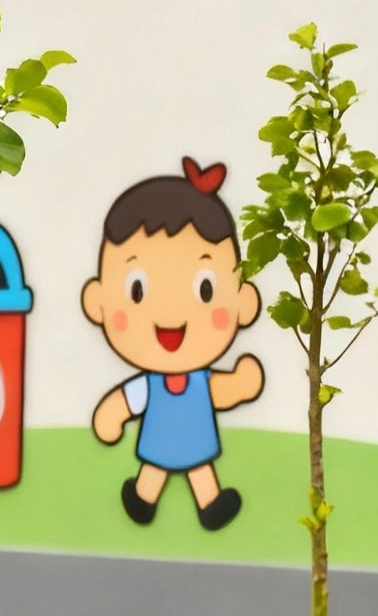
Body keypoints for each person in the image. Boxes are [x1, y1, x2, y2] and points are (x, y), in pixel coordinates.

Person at [81, 156, 264, 534]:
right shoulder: (150, 384)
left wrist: (242, 384)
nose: (170, 315)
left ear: (242, 301)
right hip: (163, 435)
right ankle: (144, 498)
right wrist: (109, 415)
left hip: (193, 435)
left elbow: (221, 390)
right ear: (98, 301)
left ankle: (208, 503)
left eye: (205, 289)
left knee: (197, 466)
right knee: (158, 465)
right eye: (137, 290)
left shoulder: (198, 380)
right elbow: (126, 401)